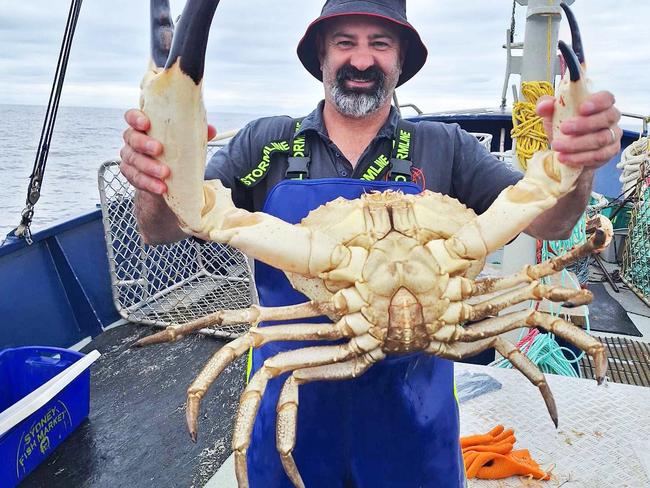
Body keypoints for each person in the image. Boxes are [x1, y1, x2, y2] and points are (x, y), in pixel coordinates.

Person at [120, 1, 621, 486]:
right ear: (321, 55)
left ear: (401, 60)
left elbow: (549, 219)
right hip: (293, 412)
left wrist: (578, 163)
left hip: (416, 431)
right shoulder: (264, 145)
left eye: (380, 43)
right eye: (345, 42)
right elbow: (168, 224)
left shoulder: (446, 146)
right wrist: (156, 178)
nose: (361, 59)